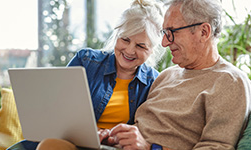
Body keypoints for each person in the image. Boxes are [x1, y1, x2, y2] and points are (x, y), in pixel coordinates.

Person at [7, 0, 165, 149]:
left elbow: (147, 133)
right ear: (116, 35)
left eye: (141, 46)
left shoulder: (155, 82)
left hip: (111, 147)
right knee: (50, 145)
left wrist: (113, 137)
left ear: (152, 50)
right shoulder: (86, 61)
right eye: (125, 40)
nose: (130, 50)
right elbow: (58, 111)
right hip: (71, 143)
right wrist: (90, 133)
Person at [95, 0, 251, 149]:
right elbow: (141, 128)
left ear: (203, 32)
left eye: (171, 32)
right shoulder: (166, 76)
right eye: (164, 32)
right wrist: (112, 137)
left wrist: (152, 148)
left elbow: (216, 147)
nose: (164, 42)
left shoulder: (230, 81)